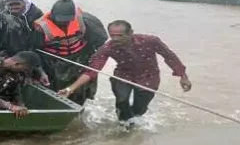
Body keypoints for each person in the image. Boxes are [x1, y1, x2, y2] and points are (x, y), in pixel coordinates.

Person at [59, 20, 192, 121]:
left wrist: (183, 76)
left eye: (120, 36)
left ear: (130, 33)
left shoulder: (150, 41)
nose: (115, 39)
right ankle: (123, 125)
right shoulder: (108, 47)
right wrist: (70, 88)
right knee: (122, 102)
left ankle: (133, 121)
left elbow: (169, 56)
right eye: (112, 36)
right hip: (123, 76)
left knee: (139, 110)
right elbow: (91, 71)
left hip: (148, 77)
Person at [31, 0, 108, 105]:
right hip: (55, 61)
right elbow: (34, 50)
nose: (64, 22)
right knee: (57, 91)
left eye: (67, 20)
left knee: (84, 89)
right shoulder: (41, 27)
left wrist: (93, 56)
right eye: (60, 19)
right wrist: (40, 70)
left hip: (80, 57)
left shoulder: (84, 19)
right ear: (52, 14)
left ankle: (83, 106)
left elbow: (100, 39)